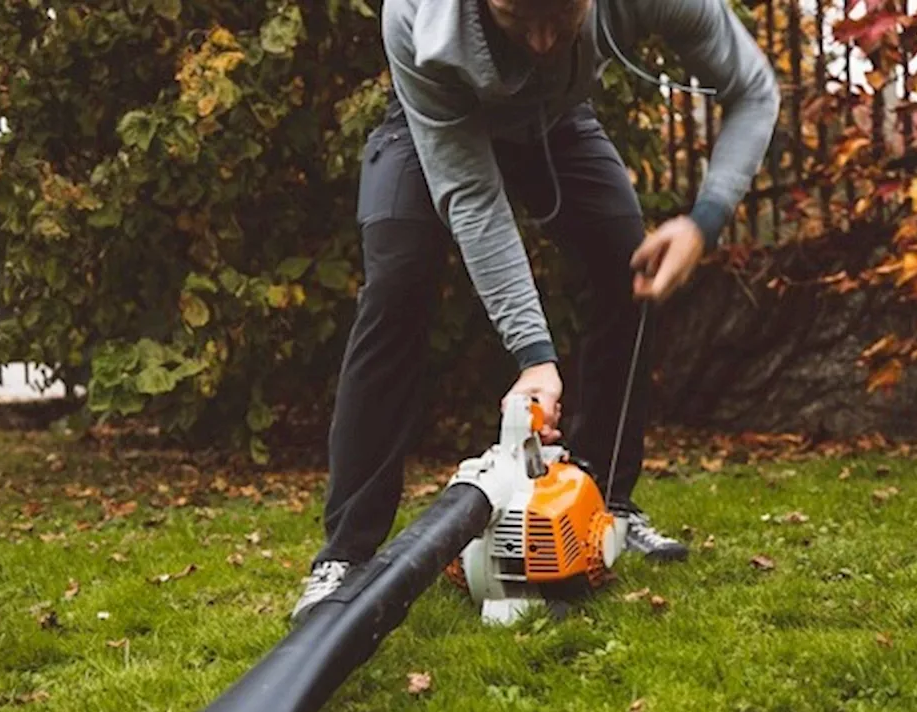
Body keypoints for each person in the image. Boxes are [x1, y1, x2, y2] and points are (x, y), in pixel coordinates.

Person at [292, 0, 779, 621]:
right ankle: (346, 555)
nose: (545, 42)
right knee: (398, 281)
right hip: (432, 124)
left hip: (556, 120)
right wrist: (535, 356)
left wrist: (705, 221)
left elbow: (754, 90)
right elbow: (471, 194)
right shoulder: (416, 17)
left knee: (625, 260)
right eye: (519, 19)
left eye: (562, 16)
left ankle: (604, 504)